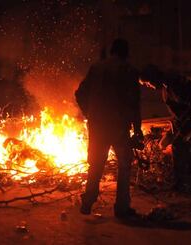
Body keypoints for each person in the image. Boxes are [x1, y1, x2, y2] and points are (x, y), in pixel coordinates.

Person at [75, 38, 143, 218]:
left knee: (96, 163)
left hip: (97, 124)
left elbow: (80, 93)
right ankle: (121, 208)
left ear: (112, 50)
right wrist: (137, 129)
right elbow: (134, 103)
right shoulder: (129, 71)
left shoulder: (96, 68)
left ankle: (88, 201)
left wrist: (89, 113)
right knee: (124, 164)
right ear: (126, 52)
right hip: (118, 126)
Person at [139, 65, 191, 188]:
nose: (149, 87)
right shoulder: (167, 85)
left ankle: (181, 181)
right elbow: (178, 110)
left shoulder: (173, 85)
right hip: (187, 119)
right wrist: (172, 130)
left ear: (153, 78)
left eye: (148, 83)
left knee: (179, 145)